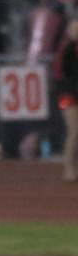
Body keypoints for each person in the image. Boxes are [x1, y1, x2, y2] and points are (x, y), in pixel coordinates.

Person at [54, 19, 78, 181]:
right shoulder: (66, 50)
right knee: (74, 132)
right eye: (74, 29)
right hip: (69, 95)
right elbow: (62, 75)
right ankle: (69, 167)